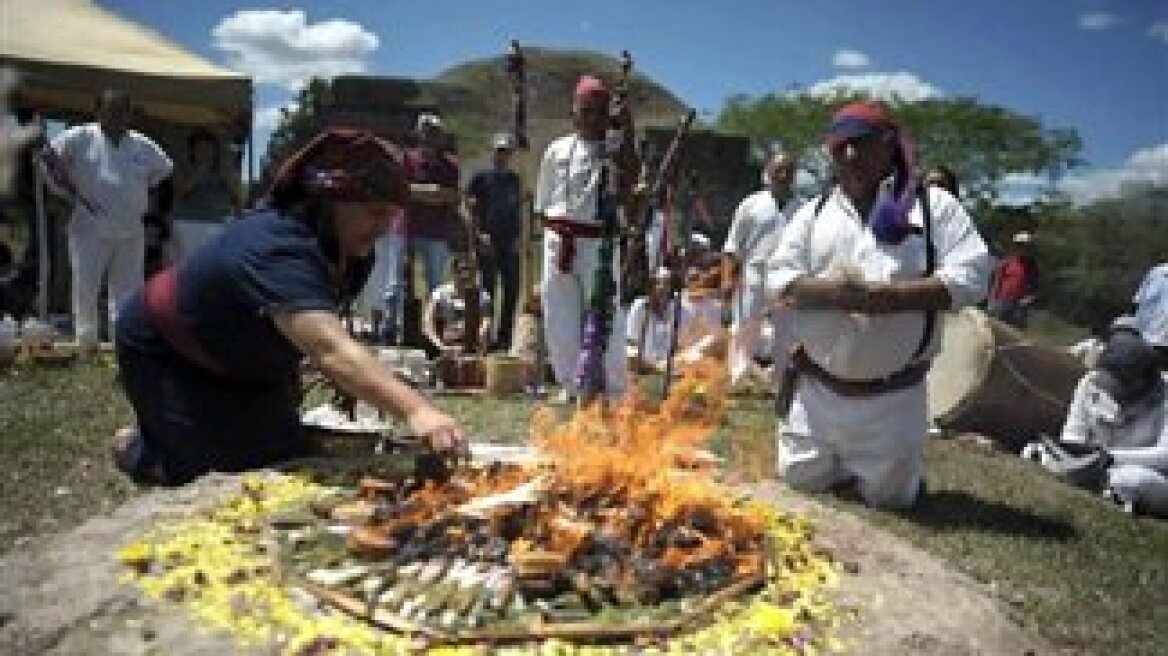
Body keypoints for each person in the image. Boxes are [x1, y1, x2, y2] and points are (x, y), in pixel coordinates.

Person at [112, 128, 464, 486]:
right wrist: (416, 409)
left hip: (244, 351)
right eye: (374, 213)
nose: (383, 227)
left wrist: (352, 378)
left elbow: (318, 328)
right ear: (330, 202)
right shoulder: (277, 247)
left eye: (391, 216)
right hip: (167, 346)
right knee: (211, 472)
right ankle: (140, 450)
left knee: (281, 454)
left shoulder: (351, 252)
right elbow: (330, 348)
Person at [764, 100, 992, 509]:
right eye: (840, 146)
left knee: (890, 501)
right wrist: (834, 293)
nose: (850, 155)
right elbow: (777, 278)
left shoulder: (932, 206)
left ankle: (880, 471)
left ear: (890, 147)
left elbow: (974, 275)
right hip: (817, 394)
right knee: (798, 479)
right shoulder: (815, 212)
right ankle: (837, 464)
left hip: (892, 400)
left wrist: (894, 299)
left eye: (863, 144)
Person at [44, 89, 173, 351]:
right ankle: (86, 341)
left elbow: (164, 170)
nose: (117, 115)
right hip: (89, 225)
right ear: (98, 110)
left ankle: (122, 341)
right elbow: (49, 161)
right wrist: (62, 188)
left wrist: (135, 193)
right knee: (86, 285)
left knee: (128, 287)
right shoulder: (78, 136)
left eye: (123, 110)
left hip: (131, 227)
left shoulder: (142, 143)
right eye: (111, 109)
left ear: (130, 114)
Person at [533, 75, 628, 401]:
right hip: (558, 239)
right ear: (574, 112)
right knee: (559, 313)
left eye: (597, 112)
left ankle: (612, 387)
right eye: (584, 111)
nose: (590, 118)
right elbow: (543, 202)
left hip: (597, 241)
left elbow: (632, 178)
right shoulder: (556, 149)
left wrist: (623, 131)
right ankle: (572, 384)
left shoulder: (616, 150)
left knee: (606, 312)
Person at [1030, 331, 1168, 517]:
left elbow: (1164, 456)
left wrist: (1110, 458)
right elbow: (1074, 431)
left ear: (1140, 382)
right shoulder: (1089, 383)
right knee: (1036, 451)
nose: (1109, 391)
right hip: (1093, 462)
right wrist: (1073, 453)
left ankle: (1107, 490)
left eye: (1117, 386)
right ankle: (1095, 485)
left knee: (1131, 480)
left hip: (1146, 473)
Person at [722, 152, 800, 387]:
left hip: (787, 278)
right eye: (779, 170)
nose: (784, 175)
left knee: (786, 331)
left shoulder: (804, 208)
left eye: (788, 171)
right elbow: (732, 246)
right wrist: (727, 278)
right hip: (754, 275)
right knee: (745, 327)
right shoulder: (751, 204)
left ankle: (780, 380)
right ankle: (738, 377)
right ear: (768, 173)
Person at [465, 132, 522, 351]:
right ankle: (484, 335)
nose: (503, 156)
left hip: (510, 241)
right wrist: (479, 233)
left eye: (507, 152)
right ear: (493, 152)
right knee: (488, 290)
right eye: (499, 151)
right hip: (488, 238)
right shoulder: (481, 178)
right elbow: (471, 207)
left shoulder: (516, 180)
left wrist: (520, 237)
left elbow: (521, 211)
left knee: (511, 289)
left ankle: (505, 336)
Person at [404, 113, 461, 295]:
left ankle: (434, 321)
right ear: (419, 134)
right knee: (401, 282)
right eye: (426, 132)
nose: (429, 137)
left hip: (438, 232)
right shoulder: (408, 159)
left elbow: (452, 196)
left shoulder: (450, 164)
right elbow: (401, 190)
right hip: (408, 230)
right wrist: (434, 191)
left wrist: (418, 192)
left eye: (434, 133)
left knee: (435, 285)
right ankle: (399, 322)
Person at [171, 128, 241, 260]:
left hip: (219, 221)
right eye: (200, 148)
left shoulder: (224, 168)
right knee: (189, 263)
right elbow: (180, 191)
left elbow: (236, 194)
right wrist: (199, 172)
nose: (205, 152)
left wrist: (227, 173)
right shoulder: (182, 166)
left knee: (214, 263)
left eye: (209, 148)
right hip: (188, 222)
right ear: (192, 150)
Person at [355, 203, 408, 344]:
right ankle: (374, 326)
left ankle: (386, 327)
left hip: (397, 231)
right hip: (387, 231)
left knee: (392, 283)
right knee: (375, 280)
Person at [627, 267, 697, 373]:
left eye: (667, 283)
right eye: (658, 282)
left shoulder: (682, 310)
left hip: (673, 368)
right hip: (646, 368)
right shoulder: (639, 307)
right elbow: (631, 343)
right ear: (650, 286)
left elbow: (687, 344)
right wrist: (649, 366)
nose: (662, 287)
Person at [421, 254, 492, 354]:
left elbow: (486, 321)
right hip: (445, 345)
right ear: (454, 272)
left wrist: (481, 333)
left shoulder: (483, 296)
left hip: (471, 346)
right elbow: (427, 324)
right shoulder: (439, 294)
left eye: (469, 271)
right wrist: (440, 346)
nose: (465, 275)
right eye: (462, 270)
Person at [987, 231, 1038, 330]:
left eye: (1026, 246)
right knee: (992, 331)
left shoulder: (1032, 267)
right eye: (1020, 245)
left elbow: (1036, 287)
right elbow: (997, 281)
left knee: (1014, 334)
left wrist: (1029, 299)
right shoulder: (1007, 262)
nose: (1023, 248)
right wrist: (992, 301)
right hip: (1001, 302)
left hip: (1019, 306)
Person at [1131, 262, 1168, 368]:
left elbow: (1136, 303)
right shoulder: (1156, 273)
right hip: (1148, 340)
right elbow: (1136, 304)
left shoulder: (1156, 272)